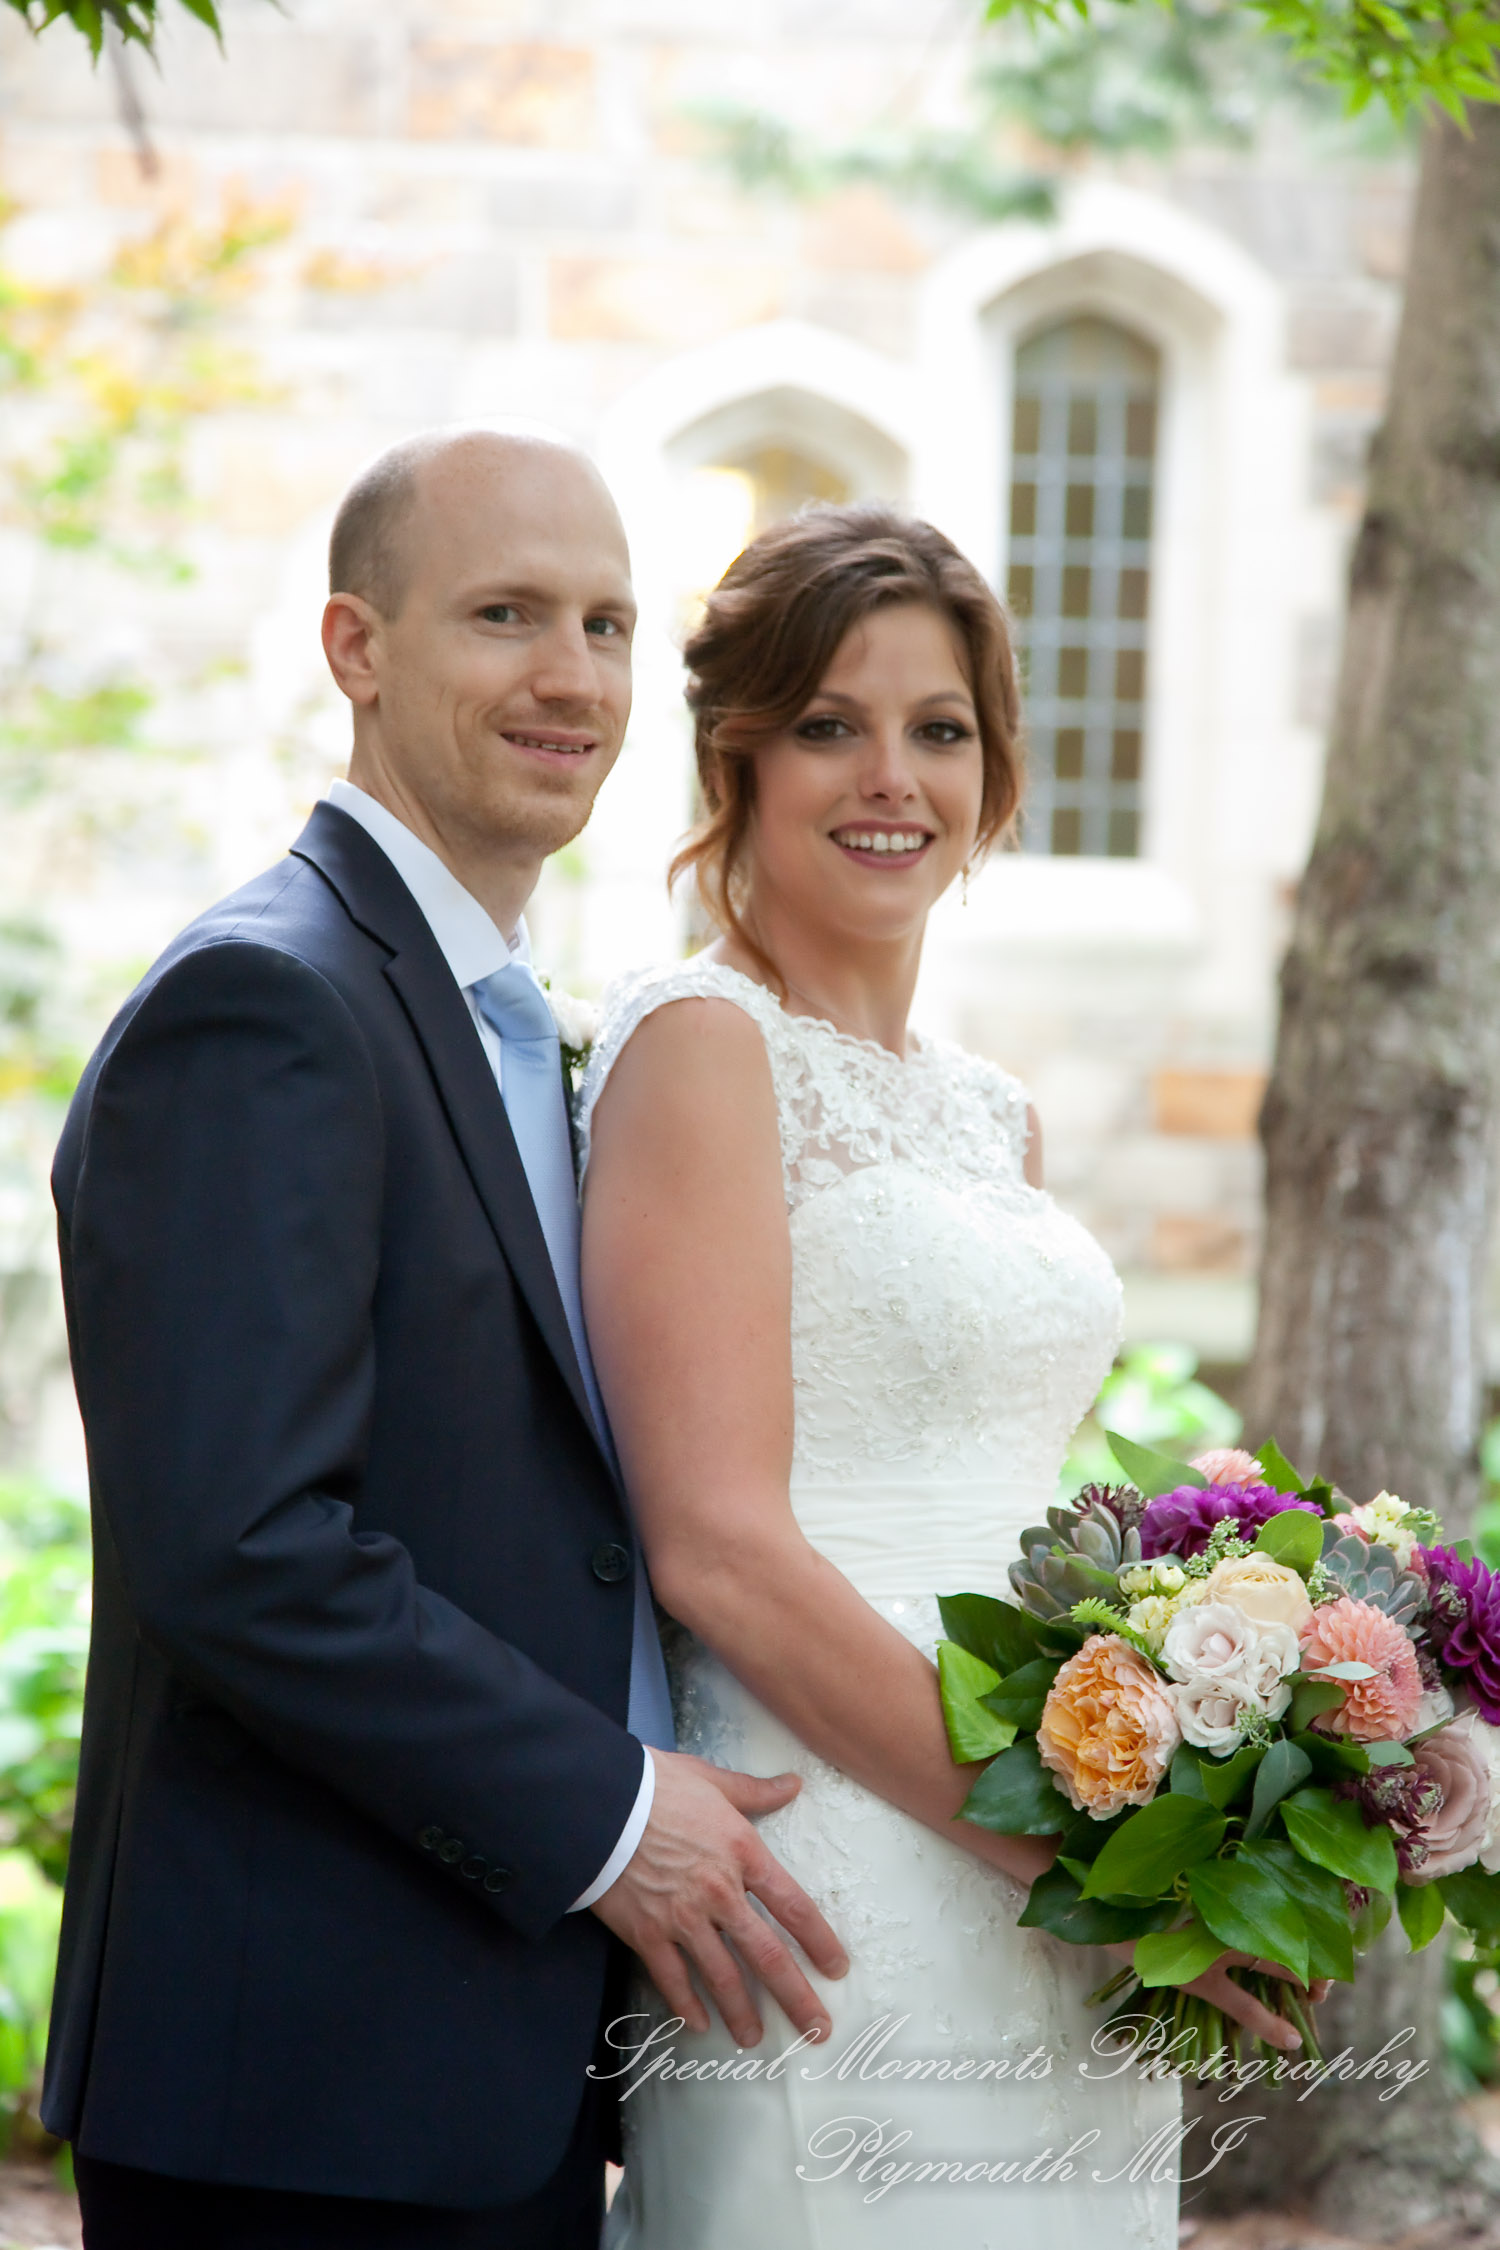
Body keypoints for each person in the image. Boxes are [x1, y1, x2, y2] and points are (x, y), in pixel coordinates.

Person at [41, 427, 845, 2250]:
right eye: (504, 615)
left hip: (494, 2047)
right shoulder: (266, 999)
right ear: (358, 646)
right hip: (305, 2085)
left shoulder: (510, 1023)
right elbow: (240, 1548)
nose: (571, 675)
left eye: (607, 622)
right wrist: (613, 1811)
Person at [579, 505, 1319, 2250]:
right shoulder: (700, 1048)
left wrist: (1187, 1792)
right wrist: (1059, 1857)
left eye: (940, 727)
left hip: (1062, 1829)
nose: (888, 776)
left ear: (994, 771)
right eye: (830, 723)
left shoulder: (994, 1112)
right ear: (738, 754)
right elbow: (719, 1547)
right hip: (842, 1850)